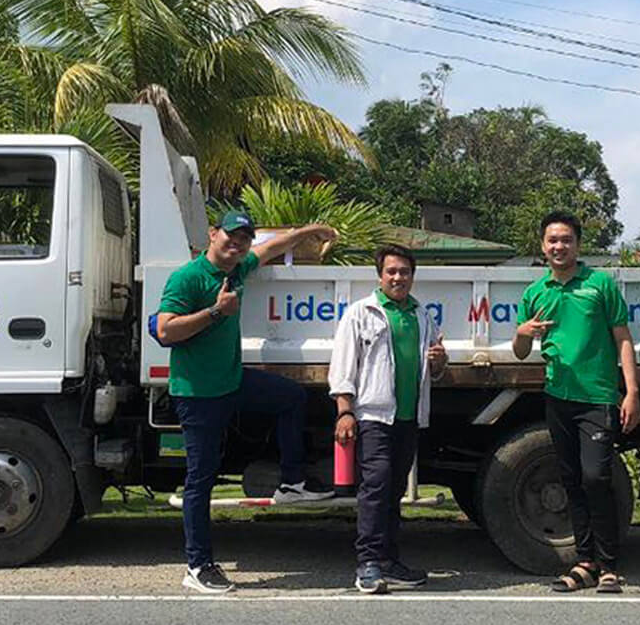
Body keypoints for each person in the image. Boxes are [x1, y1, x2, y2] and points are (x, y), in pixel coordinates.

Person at [154, 210, 338, 594]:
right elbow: (165, 329)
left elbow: (272, 247)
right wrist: (217, 311)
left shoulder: (238, 268)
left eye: (244, 238)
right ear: (212, 234)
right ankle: (197, 566)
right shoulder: (188, 277)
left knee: (290, 397)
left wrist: (310, 229)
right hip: (198, 395)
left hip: (232, 382)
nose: (237, 244)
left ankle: (291, 481)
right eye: (230, 236)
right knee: (200, 480)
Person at [512, 211, 640, 594]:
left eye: (566, 239)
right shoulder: (535, 293)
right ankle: (585, 563)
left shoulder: (599, 284)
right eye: (552, 240)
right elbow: (521, 352)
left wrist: (630, 391)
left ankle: (610, 566)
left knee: (596, 478)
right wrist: (522, 333)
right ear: (542, 245)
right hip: (558, 398)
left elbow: (622, 339)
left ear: (578, 245)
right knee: (570, 480)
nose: (559, 246)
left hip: (597, 398)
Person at [329, 244, 447, 594]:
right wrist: (345, 411)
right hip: (372, 415)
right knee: (376, 487)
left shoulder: (421, 315)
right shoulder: (361, 312)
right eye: (391, 271)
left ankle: (389, 561)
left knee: (394, 491)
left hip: (408, 418)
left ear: (413, 276)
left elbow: (433, 370)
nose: (398, 277)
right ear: (380, 275)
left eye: (405, 272)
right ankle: (368, 563)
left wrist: (440, 361)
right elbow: (343, 367)